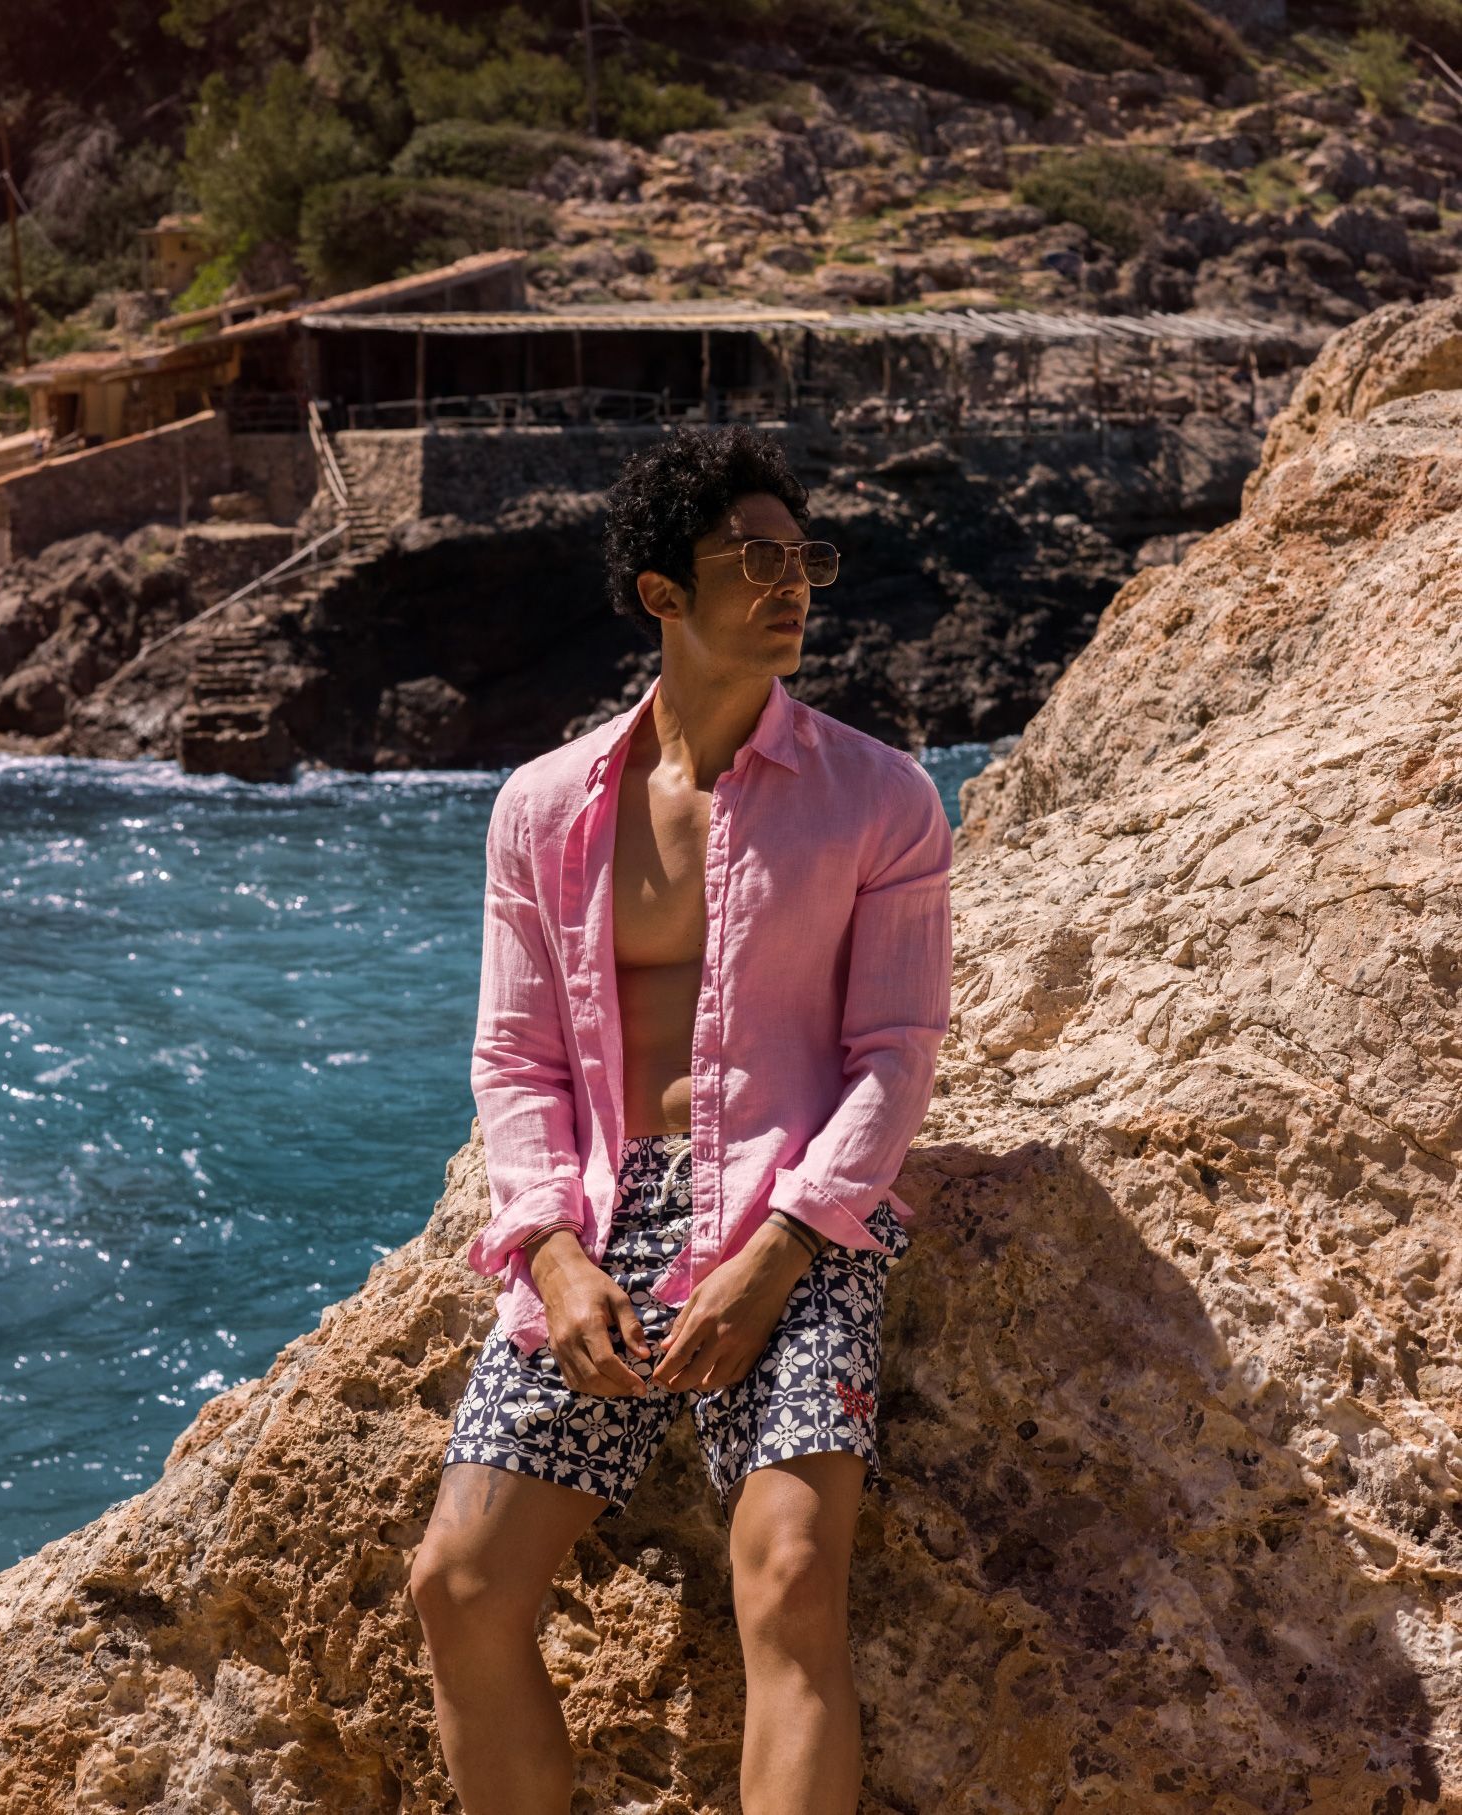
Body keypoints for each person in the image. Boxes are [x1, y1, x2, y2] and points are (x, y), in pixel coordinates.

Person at [409, 423, 953, 1814]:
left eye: (804, 559)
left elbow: (896, 1055)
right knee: (459, 1583)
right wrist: (549, 1252)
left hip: (796, 1216)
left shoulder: (880, 797)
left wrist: (780, 1254)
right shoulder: (543, 809)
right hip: (600, 1220)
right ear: (662, 591)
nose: (792, 586)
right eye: (753, 561)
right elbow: (515, 1056)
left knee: (790, 1580)